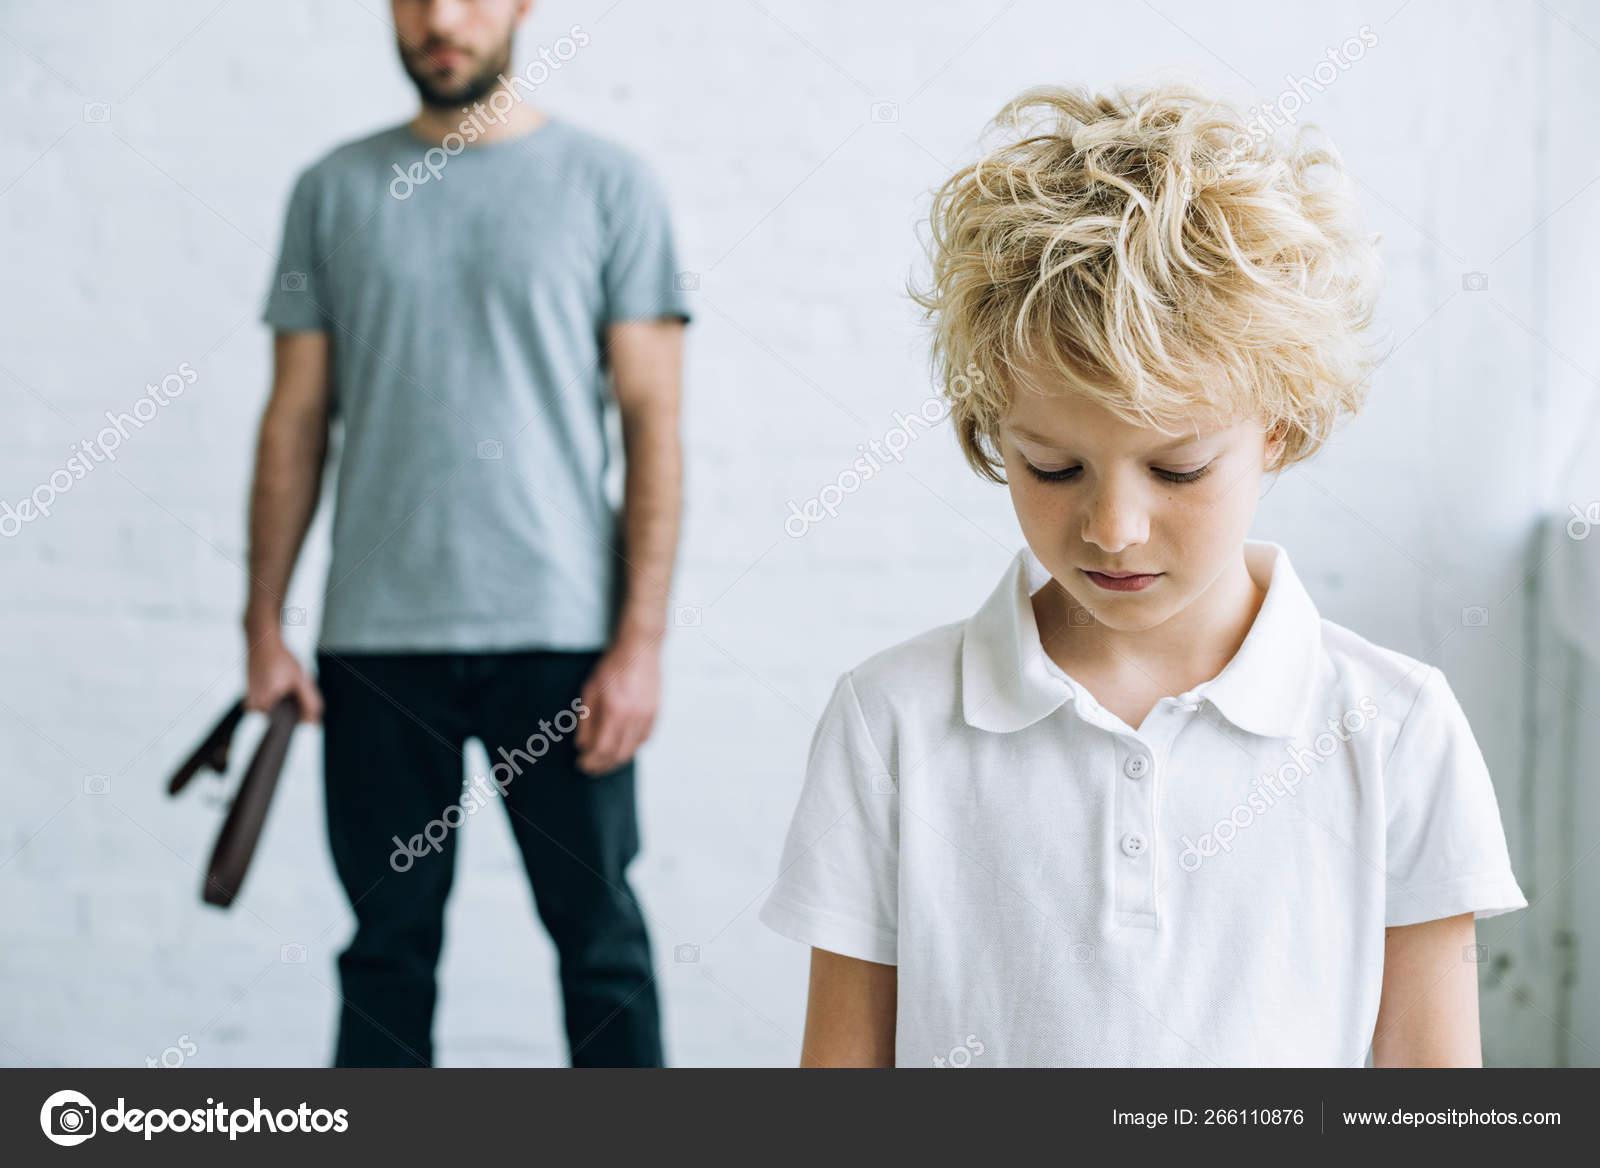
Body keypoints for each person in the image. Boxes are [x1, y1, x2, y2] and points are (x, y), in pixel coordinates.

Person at [759, 82, 1527, 1067]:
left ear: (1279, 427)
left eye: (1178, 468)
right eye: (1052, 468)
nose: (1113, 529)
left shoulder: (1396, 729)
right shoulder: (891, 722)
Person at [245, 0, 690, 1067]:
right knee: (386, 954)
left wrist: (639, 645)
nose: (441, 19)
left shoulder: (608, 184)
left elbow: (654, 426)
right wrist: (263, 625)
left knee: (601, 946)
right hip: (376, 646)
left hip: (563, 642)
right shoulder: (331, 189)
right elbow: (295, 420)